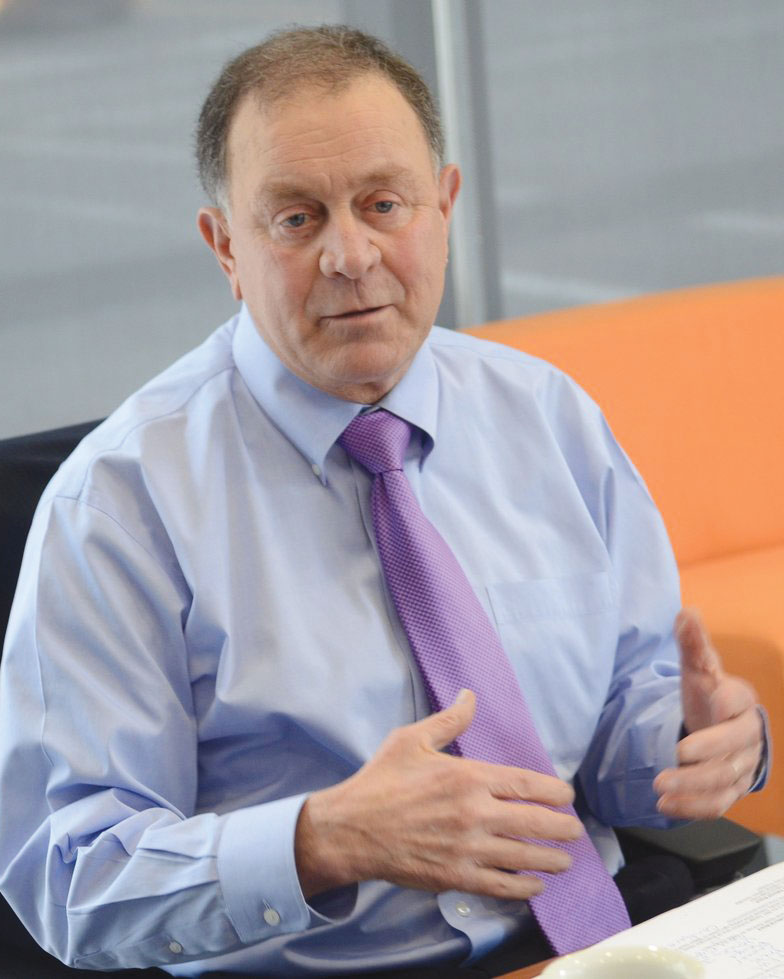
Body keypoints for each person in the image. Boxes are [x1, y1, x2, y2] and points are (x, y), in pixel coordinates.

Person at [0, 24, 766, 979]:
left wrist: (689, 741)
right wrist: (321, 838)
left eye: (384, 204)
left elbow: (620, 725)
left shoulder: (549, 417)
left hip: (598, 942)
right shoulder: (117, 505)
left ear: (443, 206)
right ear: (225, 246)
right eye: (296, 218)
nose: (351, 254)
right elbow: (68, 875)